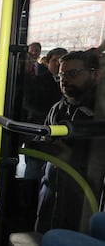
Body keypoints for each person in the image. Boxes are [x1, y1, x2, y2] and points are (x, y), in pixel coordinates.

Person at [35, 50, 100, 233]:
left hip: (83, 199)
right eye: (62, 74)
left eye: (73, 74)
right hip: (50, 193)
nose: (64, 80)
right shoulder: (58, 108)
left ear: (94, 74)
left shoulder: (99, 111)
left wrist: (71, 157)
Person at [23, 47, 68, 179]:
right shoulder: (38, 80)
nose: (58, 64)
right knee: (34, 166)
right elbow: (27, 104)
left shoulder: (69, 84)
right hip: (39, 129)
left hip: (60, 135)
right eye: (55, 60)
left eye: (61, 61)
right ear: (48, 62)